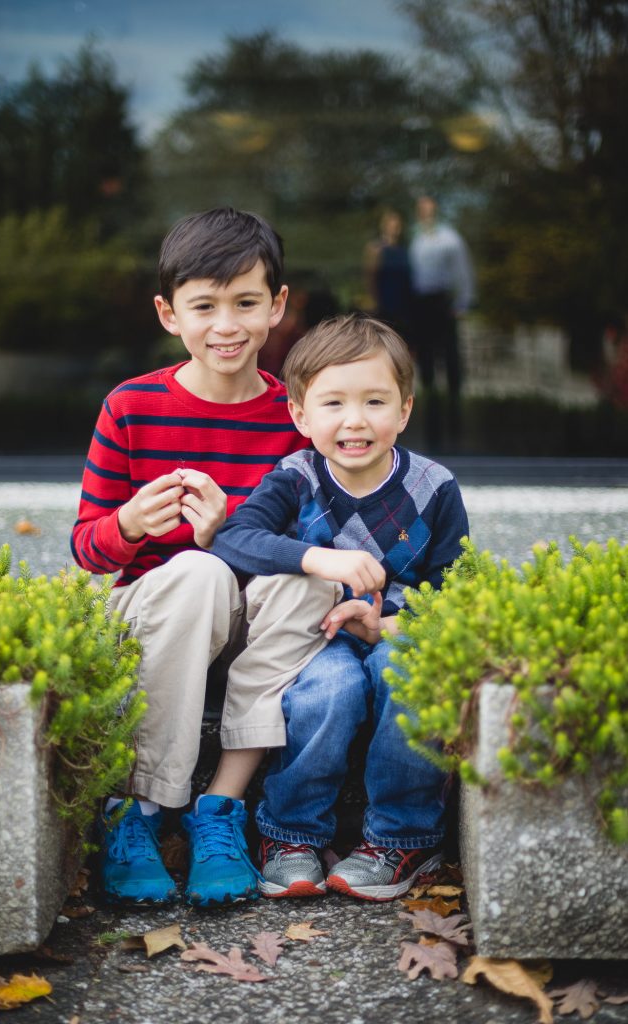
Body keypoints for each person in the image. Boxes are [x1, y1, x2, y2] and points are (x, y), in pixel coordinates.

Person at [71, 207, 340, 907]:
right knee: (196, 570)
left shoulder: (296, 417)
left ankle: (218, 808)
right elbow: (86, 552)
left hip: (253, 621)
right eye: (204, 306)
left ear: (276, 307)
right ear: (169, 314)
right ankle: (138, 808)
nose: (226, 324)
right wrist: (128, 523)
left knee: (308, 574)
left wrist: (230, 534)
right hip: (159, 609)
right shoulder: (131, 407)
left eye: (246, 303)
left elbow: (310, 542)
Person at [211, 313, 469, 901]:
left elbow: (457, 589)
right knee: (328, 692)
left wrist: (391, 625)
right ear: (300, 415)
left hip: (400, 631)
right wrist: (318, 560)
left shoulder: (434, 486)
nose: (355, 420)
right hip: (315, 638)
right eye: (332, 404)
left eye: (375, 401)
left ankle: (404, 838)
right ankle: (290, 834)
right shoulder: (296, 477)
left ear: (404, 410)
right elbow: (234, 536)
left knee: (404, 676)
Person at [408, 195, 474, 446]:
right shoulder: (415, 238)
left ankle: (454, 403)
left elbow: (462, 270)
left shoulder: (449, 238)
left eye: (428, 209)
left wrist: (463, 302)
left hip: (442, 300)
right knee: (426, 353)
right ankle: (431, 399)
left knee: (449, 352)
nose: (424, 213)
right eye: (420, 209)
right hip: (421, 302)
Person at [363, 208, 413, 338]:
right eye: (391, 225)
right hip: (384, 304)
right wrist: (374, 302)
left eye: (397, 225)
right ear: (384, 226)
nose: (394, 228)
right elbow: (371, 277)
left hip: (404, 304)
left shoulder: (404, 250)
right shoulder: (375, 249)